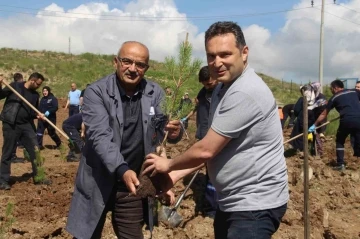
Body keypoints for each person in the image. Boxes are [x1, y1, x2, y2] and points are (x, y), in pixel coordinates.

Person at [143, 21, 289, 239]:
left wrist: (169, 165)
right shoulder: (222, 88)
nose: (217, 62)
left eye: (225, 54)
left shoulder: (245, 91)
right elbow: (218, 149)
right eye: (211, 56)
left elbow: (206, 150)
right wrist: (174, 176)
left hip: (254, 206)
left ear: (244, 52)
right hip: (231, 201)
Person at [66, 41, 182, 239]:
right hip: (97, 180)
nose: (132, 69)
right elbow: (99, 136)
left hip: (132, 186)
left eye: (140, 65)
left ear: (146, 68)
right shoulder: (97, 92)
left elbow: (165, 129)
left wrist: (174, 132)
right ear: (116, 62)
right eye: (127, 61)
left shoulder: (155, 93)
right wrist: (122, 169)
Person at [0, 72, 51, 190]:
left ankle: (39, 177)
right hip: (11, 123)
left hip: (26, 125)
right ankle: (2, 180)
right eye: (38, 84)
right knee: (7, 152)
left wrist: (38, 115)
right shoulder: (15, 86)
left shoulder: (35, 95)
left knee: (35, 150)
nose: (39, 86)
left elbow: (32, 112)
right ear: (32, 80)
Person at [182, 66, 219, 217]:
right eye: (204, 83)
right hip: (203, 136)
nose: (207, 86)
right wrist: (185, 117)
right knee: (210, 172)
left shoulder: (223, 92)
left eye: (209, 83)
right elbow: (197, 108)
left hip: (217, 138)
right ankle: (210, 207)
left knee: (216, 174)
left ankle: (214, 210)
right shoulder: (203, 93)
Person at [309, 79, 360, 171]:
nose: (331, 90)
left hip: (346, 120)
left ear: (335, 88)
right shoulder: (354, 91)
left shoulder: (334, 98)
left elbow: (324, 114)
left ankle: (340, 164)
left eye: (331, 89)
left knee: (340, 141)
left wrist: (315, 124)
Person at [290, 83, 327, 156]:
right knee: (315, 135)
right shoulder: (322, 98)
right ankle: (317, 152)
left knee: (300, 135)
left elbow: (296, 110)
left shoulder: (302, 99)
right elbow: (324, 111)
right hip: (318, 121)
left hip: (304, 119)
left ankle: (300, 150)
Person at [10, 73, 26, 163]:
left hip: (13, 116)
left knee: (14, 137)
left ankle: (12, 155)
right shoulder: (18, 87)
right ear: (21, 79)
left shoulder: (13, 86)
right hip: (15, 116)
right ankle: (12, 156)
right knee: (14, 136)